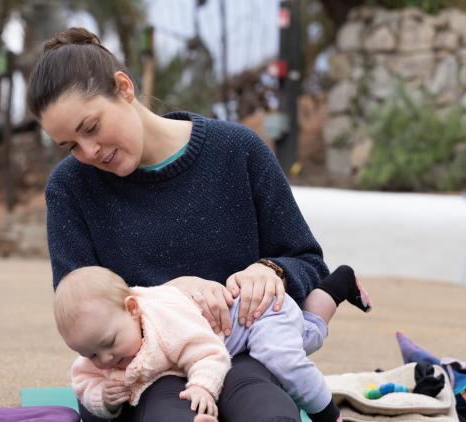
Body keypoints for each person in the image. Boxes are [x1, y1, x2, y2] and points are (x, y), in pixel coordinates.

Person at [27, 26, 346, 421]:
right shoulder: (70, 187)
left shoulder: (237, 151)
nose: (88, 152)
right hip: (144, 370)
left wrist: (271, 271)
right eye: (70, 146)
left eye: (90, 128)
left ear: (124, 87)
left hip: (241, 351)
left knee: (265, 413)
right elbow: (80, 308)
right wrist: (171, 294)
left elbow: (308, 262)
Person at [53, 266, 372, 421]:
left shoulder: (166, 322)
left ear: (133, 309)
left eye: (109, 344)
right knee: (309, 334)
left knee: (286, 358)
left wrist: (203, 389)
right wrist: (103, 400)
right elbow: (82, 383)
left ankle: (329, 416)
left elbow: (210, 354)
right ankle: (337, 286)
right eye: (91, 353)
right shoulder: (102, 344)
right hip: (234, 333)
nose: (106, 360)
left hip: (254, 316)